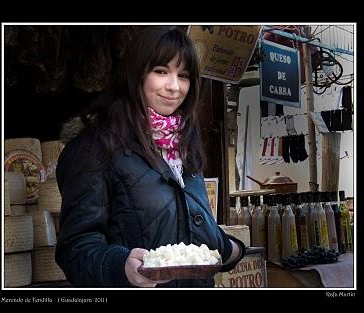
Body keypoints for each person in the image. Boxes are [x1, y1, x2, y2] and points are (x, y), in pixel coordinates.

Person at [55, 26, 246, 288]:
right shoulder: (95, 148)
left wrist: (232, 249)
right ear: (137, 74)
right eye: (161, 71)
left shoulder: (184, 147)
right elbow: (76, 249)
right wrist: (120, 266)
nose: (174, 87)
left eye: (184, 75)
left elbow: (189, 232)